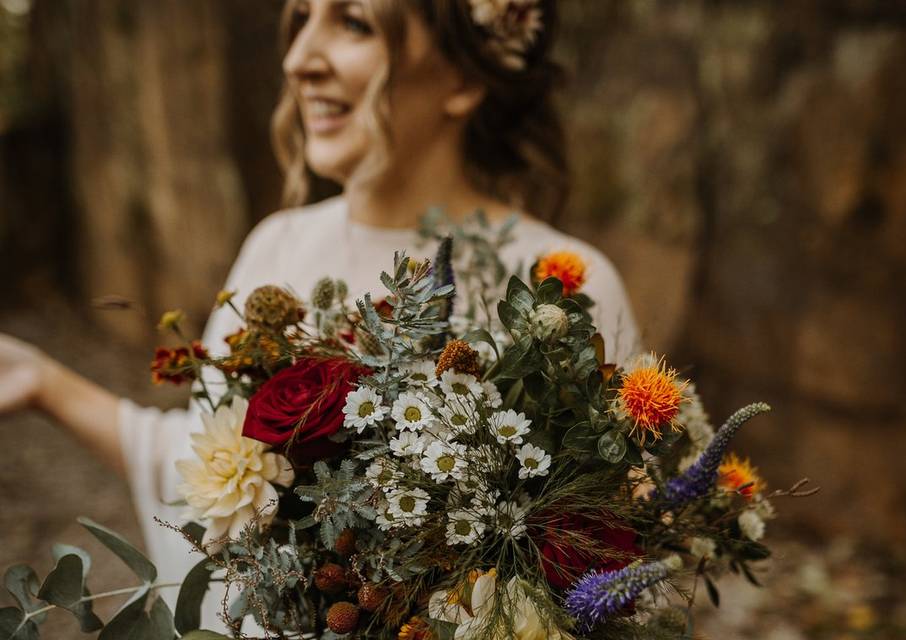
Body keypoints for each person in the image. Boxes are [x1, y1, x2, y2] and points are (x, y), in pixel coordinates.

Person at [0, 0, 639, 630]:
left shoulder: (563, 287)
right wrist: (45, 385)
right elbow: (217, 481)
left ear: (465, 79)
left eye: (354, 22)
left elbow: (617, 570)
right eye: (301, 17)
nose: (300, 57)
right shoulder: (276, 247)